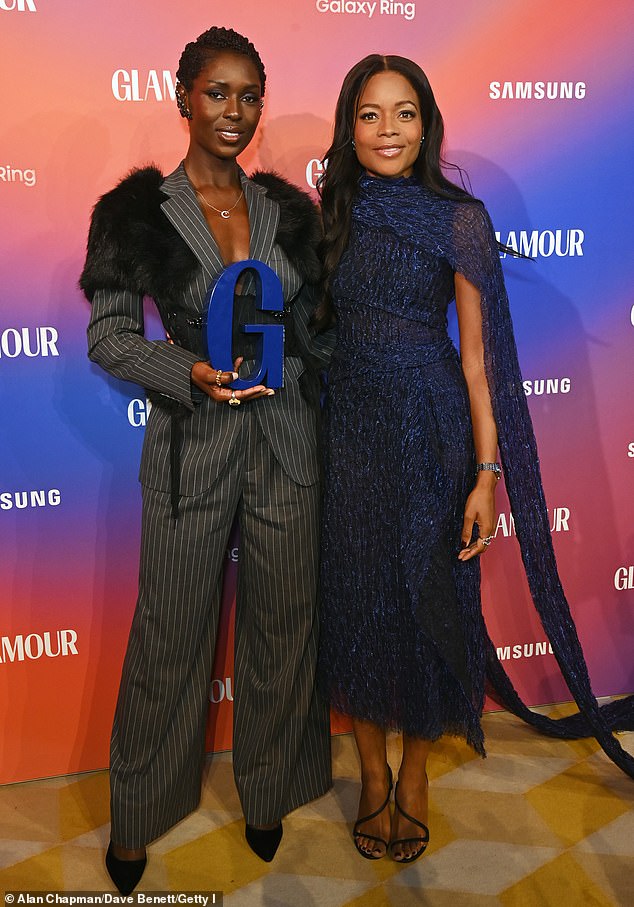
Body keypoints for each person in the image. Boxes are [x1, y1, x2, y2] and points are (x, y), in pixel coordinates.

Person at [316, 54, 634, 864]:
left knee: (429, 605)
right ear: (348, 130)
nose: (388, 130)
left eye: (405, 113)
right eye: (370, 114)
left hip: (430, 426)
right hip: (347, 431)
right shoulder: (330, 210)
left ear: (428, 125)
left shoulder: (459, 218)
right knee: (357, 602)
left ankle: (416, 773)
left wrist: (487, 476)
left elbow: (476, 362)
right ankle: (371, 772)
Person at [80, 26, 334, 895]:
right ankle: (138, 813)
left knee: (283, 625)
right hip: (192, 446)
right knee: (168, 633)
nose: (234, 111)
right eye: (217, 93)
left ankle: (272, 789)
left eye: (249, 95)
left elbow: (315, 328)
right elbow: (111, 335)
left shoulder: (287, 211)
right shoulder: (136, 214)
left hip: (288, 445)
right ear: (181, 95)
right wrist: (184, 370)